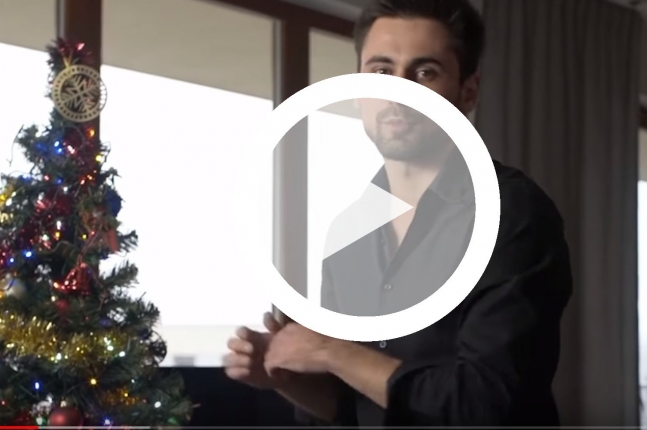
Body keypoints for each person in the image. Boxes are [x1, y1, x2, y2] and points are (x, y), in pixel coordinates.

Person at [225, 0, 573, 426]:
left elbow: (487, 404)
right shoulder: (349, 230)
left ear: (467, 92)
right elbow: (355, 409)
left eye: (425, 73)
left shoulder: (515, 213)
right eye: (381, 72)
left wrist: (331, 351)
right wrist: (284, 376)